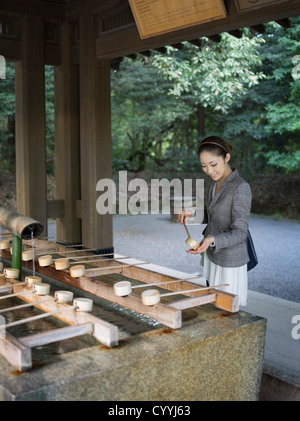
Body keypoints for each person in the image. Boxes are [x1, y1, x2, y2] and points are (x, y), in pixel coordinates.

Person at [180, 136, 252, 306]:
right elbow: (212, 214)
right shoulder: (213, 183)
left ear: (227, 158)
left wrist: (212, 240)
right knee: (212, 305)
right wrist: (192, 214)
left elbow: (241, 232)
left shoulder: (241, 187)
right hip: (212, 255)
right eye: (204, 166)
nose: (209, 171)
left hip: (230, 262)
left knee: (227, 310)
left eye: (213, 164)